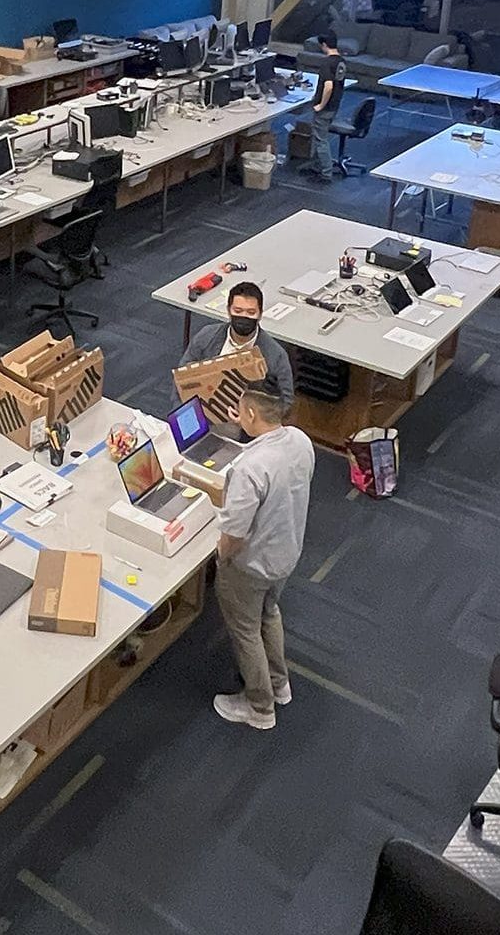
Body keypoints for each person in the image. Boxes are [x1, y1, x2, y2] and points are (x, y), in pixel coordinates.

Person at [213, 379, 315, 730]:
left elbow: (234, 535)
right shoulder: (300, 441)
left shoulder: (249, 467)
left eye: (241, 411)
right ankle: (279, 682)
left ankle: (259, 707)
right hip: (286, 554)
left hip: (251, 566)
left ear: (252, 413)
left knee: (245, 629)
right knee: (268, 613)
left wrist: (222, 557)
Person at [178, 282, 294, 407]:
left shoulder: (276, 355)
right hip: (203, 410)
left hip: (249, 420)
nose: (244, 317)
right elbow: (181, 379)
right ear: (228, 311)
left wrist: (253, 422)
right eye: (238, 311)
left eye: (251, 312)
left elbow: (286, 402)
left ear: (260, 314)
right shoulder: (206, 337)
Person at [303, 31, 347, 182]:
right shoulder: (341, 61)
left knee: (321, 140)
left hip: (325, 108)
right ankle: (316, 165)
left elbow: (328, 86)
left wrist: (321, 104)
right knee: (318, 136)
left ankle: (326, 173)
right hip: (334, 105)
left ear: (324, 45)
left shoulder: (327, 63)